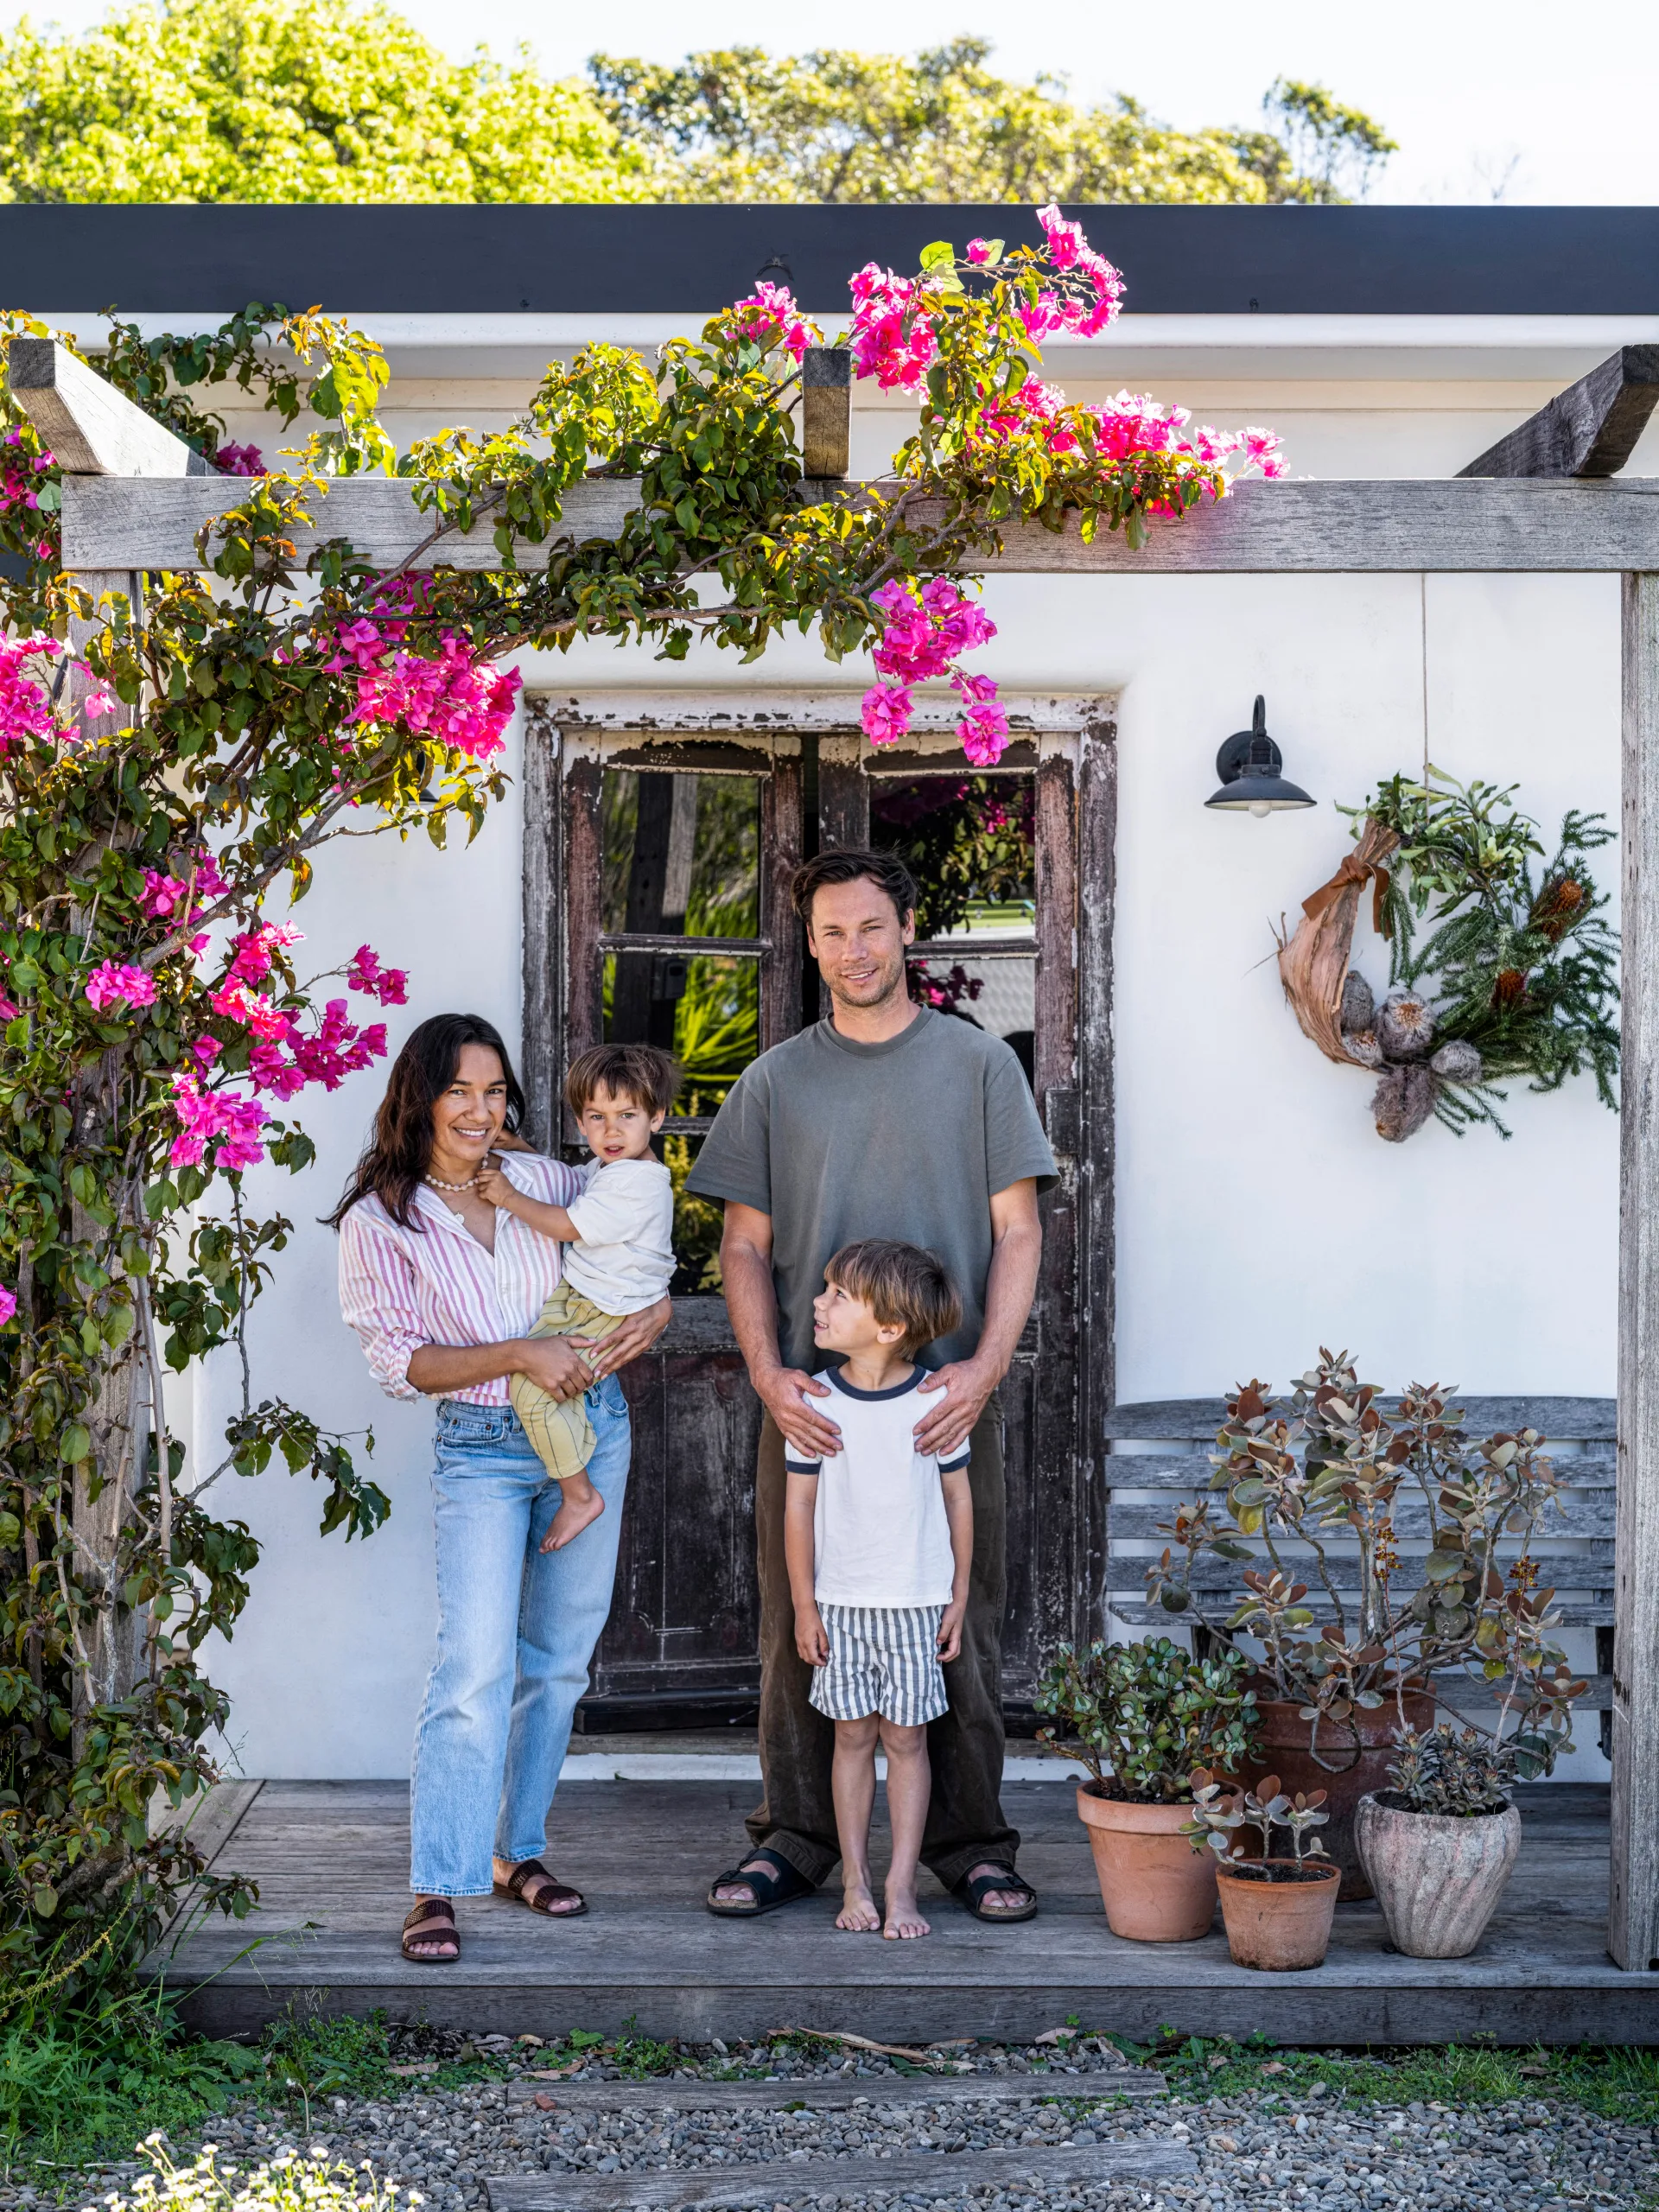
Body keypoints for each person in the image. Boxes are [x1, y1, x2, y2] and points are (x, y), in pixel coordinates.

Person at [690, 846, 1057, 1925]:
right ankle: (797, 1837)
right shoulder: (775, 1081)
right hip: (814, 1405)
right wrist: (767, 1371)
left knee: (961, 1624)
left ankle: (971, 1844)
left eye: (871, 927)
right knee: (797, 1625)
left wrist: (986, 1366)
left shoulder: (979, 1067)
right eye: (831, 932)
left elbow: (1019, 1228)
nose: (853, 949)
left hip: (946, 1399)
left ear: (907, 934)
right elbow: (744, 1247)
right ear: (810, 943)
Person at [332, 1013, 671, 1964]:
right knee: (475, 1668)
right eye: (460, 1092)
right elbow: (401, 1363)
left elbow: (623, 1223)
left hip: (592, 1428)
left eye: (495, 1092)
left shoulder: (538, 1179)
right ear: (420, 1097)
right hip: (483, 1445)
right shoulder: (382, 1220)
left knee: (559, 1661)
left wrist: (661, 1305)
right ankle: (438, 1882)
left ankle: (517, 1854)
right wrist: (520, 1349)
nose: (481, 1110)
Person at [785, 1240, 974, 1942]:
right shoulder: (815, 1399)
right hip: (840, 1604)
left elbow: (958, 1502)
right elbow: (797, 1508)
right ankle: (855, 1880)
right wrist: (805, 1603)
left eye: (837, 1295)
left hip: (917, 1605)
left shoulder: (933, 1401)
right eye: (825, 1289)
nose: (818, 1302)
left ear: (890, 1328)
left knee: (907, 1742)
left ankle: (901, 1887)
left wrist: (956, 1597)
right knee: (852, 1737)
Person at [476, 1042, 677, 1553]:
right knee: (544, 1382)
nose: (611, 1131)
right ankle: (570, 1462)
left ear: (657, 1118)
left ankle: (579, 1493)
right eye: (597, 1116)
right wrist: (515, 1147)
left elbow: (566, 1223)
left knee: (530, 1390)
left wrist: (506, 1195)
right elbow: (567, 1182)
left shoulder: (638, 1185)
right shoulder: (613, 1169)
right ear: (581, 1122)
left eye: (627, 1115)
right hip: (583, 1297)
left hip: (602, 1311)